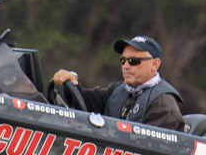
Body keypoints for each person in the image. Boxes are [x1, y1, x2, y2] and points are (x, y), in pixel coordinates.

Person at [49, 35, 185, 131]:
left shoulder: (163, 103)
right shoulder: (119, 90)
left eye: (133, 61)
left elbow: (150, 151)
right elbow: (84, 101)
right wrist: (72, 80)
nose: (126, 66)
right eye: (123, 61)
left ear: (155, 64)